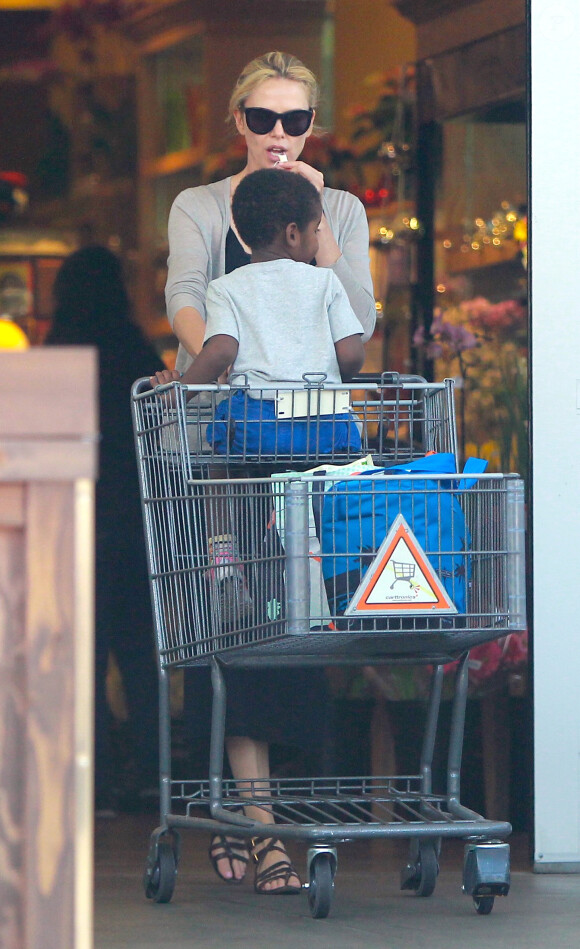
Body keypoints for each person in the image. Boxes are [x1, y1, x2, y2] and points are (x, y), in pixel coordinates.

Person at [159, 50, 376, 893]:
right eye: (262, 119)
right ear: (236, 121)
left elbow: (360, 314)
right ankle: (260, 823)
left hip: (316, 445)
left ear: (312, 126)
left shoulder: (342, 208)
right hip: (230, 442)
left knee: (310, 618)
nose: (278, 136)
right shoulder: (203, 205)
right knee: (240, 619)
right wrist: (201, 361)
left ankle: (268, 806)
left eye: (295, 120)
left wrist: (319, 226)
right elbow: (186, 294)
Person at [45, 245, 162, 817]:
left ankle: (92, 781)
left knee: (81, 655)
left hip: (73, 518)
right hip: (135, 519)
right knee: (141, 653)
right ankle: (152, 773)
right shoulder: (135, 350)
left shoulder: (57, 353)